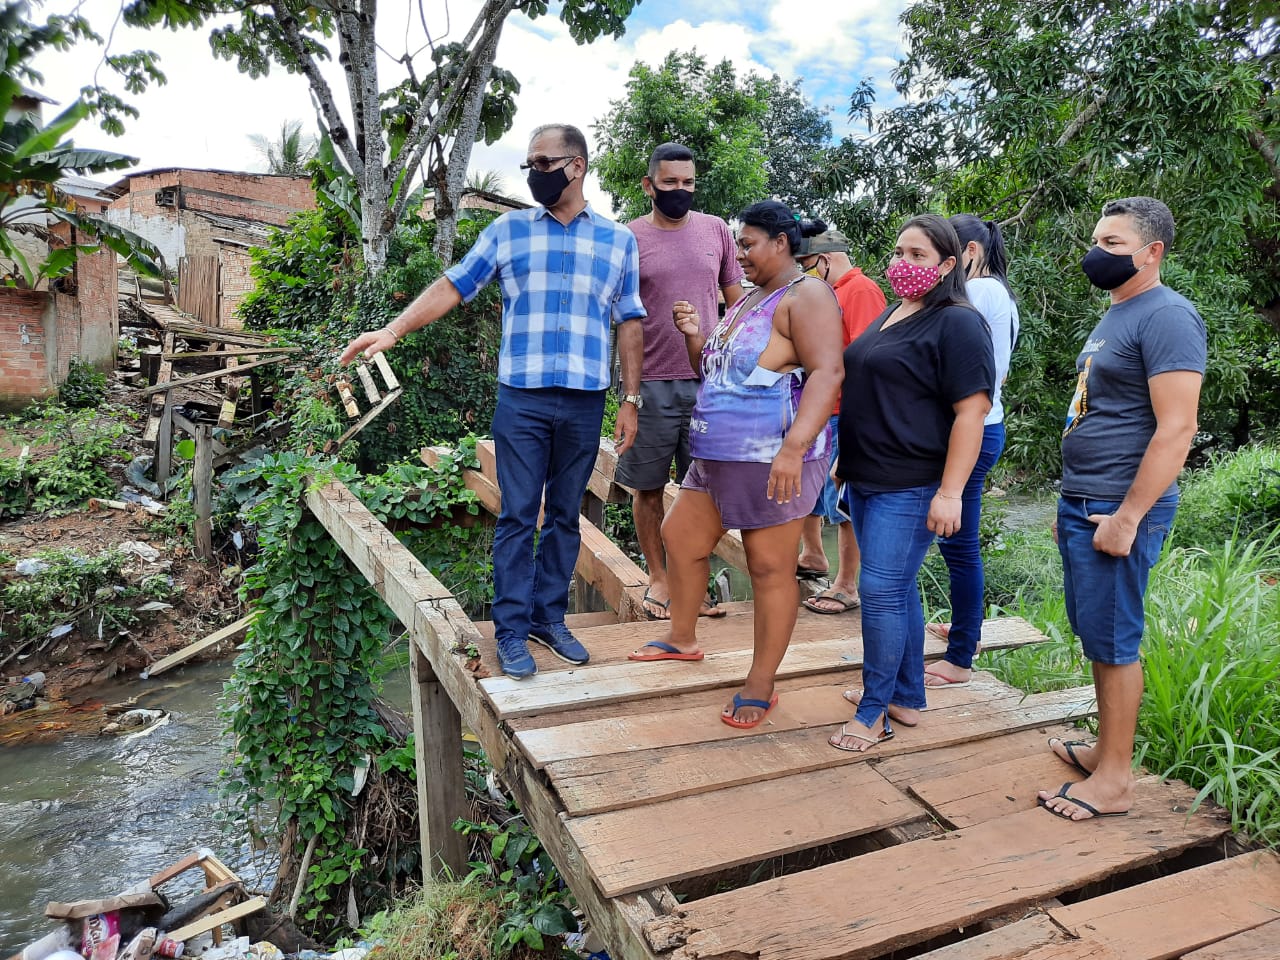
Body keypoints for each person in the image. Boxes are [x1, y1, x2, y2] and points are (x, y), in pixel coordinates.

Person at [339, 123, 646, 680]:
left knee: (565, 516)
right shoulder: (508, 231)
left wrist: (630, 398)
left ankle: (547, 619)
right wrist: (393, 331)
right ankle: (508, 629)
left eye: (543, 163)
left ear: (575, 167)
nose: (533, 173)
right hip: (522, 399)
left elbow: (628, 320)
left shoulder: (618, 240)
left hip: (584, 400)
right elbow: (455, 285)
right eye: (529, 164)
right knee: (516, 514)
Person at [628, 200, 843, 729]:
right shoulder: (750, 300)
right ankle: (682, 638)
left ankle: (761, 684)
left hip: (770, 459)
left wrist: (794, 447)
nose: (739, 253)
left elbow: (827, 373)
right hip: (716, 455)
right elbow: (717, 369)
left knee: (770, 569)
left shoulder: (806, 295)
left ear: (781, 243)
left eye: (748, 243)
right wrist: (695, 335)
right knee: (681, 539)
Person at [1038, 197, 1204, 821]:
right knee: (1097, 633)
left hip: (1118, 504)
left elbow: (1177, 427)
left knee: (1115, 641)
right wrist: (1070, 499)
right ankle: (1106, 752)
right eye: (1097, 241)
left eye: (1112, 244)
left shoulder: (1167, 316)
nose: (1096, 253)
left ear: (1152, 251)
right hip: (1086, 499)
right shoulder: (1119, 315)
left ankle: (1115, 781)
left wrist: (1129, 516)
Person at [829, 214, 994, 752]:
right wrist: (844, 460)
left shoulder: (959, 322)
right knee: (896, 587)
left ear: (949, 264)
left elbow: (972, 413)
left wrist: (950, 493)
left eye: (918, 255)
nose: (904, 263)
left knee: (878, 592)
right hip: (867, 475)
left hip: (913, 480)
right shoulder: (892, 312)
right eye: (900, 252)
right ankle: (907, 694)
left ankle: (876, 710)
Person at [615, 143, 743, 621]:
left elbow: (738, 305)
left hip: (709, 383)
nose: (679, 191)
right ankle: (660, 577)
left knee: (706, 489)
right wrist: (627, 397)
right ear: (649, 185)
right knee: (647, 488)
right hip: (649, 384)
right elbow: (620, 317)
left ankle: (695, 582)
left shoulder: (716, 232)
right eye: (669, 183)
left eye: (687, 183)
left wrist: (736, 373)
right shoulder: (628, 239)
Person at [922, 215, 1021, 684]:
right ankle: (968, 629)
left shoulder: (979, 293)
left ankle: (961, 656)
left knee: (958, 548)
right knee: (957, 545)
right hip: (983, 427)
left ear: (971, 253)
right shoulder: (997, 293)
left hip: (973, 431)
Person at [793, 221, 887, 615]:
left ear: (826, 260)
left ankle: (847, 584)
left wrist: (857, 425)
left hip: (843, 412)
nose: (803, 271)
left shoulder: (860, 291)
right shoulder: (826, 292)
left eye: (807, 264)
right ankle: (813, 554)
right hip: (817, 409)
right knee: (805, 490)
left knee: (843, 500)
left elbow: (871, 360)